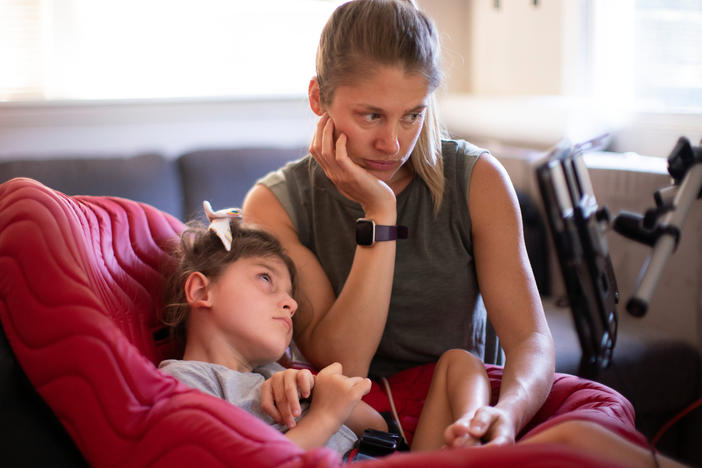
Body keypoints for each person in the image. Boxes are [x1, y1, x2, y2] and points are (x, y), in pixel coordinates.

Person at [242, 0, 553, 447]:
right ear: (318, 99)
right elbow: (345, 364)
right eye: (371, 116)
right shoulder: (275, 205)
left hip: (458, 415)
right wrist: (380, 215)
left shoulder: (478, 180)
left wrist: (507, 413)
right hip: (351, 422)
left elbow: (530, 340)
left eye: (413, 115)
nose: (392, 143)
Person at [157, 203, 494, 455]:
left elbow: (379, 428)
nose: (291, 304)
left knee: (459, 362)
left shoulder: (274, 373)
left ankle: (472, 435)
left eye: (290, 294)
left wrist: (319, 389)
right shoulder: (187, 383)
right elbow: (261, 463)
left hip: (394, 455)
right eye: (265, 279)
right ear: (202, 291)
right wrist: (325, 415)